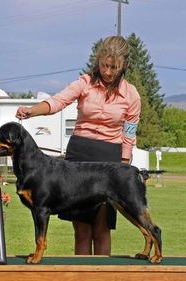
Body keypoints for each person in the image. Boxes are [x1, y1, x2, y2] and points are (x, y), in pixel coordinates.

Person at [15, 35, 141, 256]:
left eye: (114, 67)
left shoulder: (131, 95)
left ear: (123, 66)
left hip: (109, 160)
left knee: (102, 229)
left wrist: (123, 164)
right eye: (104, 65)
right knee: (81, 229)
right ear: (98, 60)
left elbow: (129, 133)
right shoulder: (84, 83)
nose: (108, 71)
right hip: (79, 156)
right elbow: (58, 101)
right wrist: (32, 110)